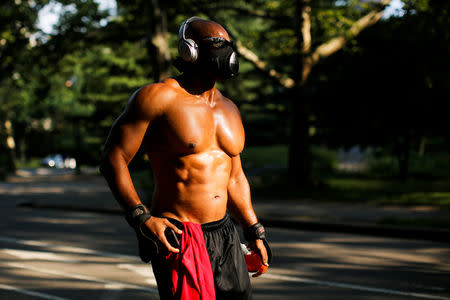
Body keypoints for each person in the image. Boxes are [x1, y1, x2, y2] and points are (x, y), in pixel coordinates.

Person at [100, 16, 271, 300]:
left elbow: (235, 177)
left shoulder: (230, 109)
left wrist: (254, 229)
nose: (225, 52)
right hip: (180, 236)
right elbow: (113, 158)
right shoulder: (158, 97)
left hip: (225, 233)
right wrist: (141, 218)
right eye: (216, 44)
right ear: (188, 51)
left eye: (227, 45)